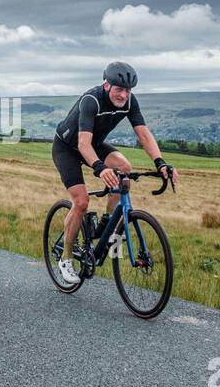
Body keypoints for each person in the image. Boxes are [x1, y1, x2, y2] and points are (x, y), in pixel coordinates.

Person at [50, 61, 173, 286]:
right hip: (68, 147)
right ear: (107, 85)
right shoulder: (91, 100)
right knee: (81, 202)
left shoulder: (129, 102)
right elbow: (83, 144)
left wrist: (160, 162)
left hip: (94, 144)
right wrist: (100, 168)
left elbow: (143, 134)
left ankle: (108, 221)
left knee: (124, 168)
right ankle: (66, 258)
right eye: (119, 89)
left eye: (128, 91)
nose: (123, 95)